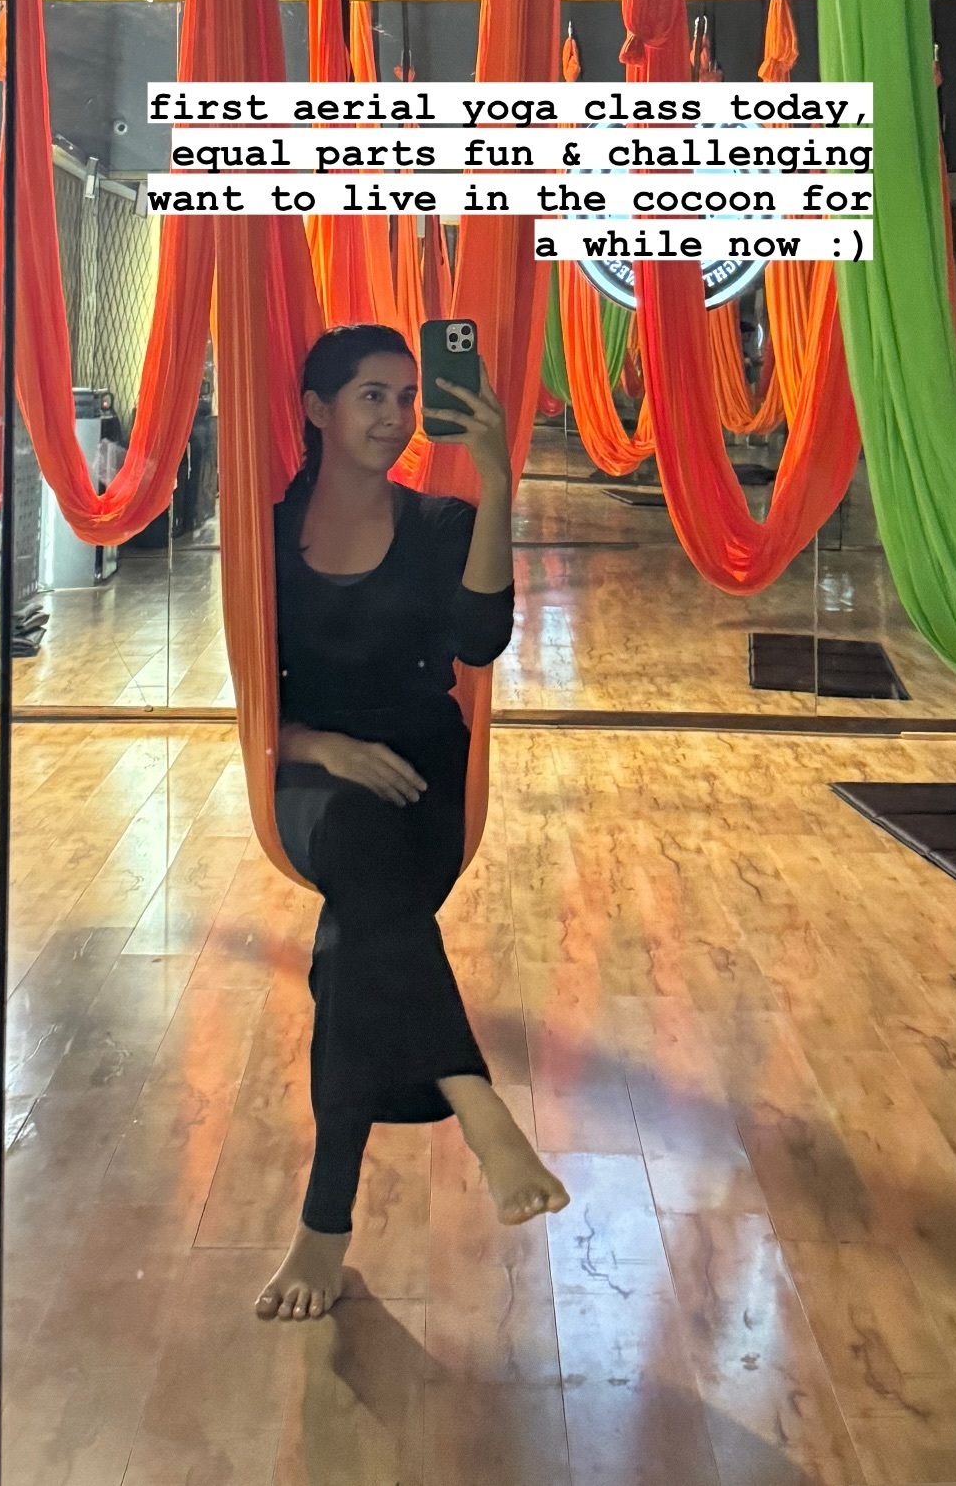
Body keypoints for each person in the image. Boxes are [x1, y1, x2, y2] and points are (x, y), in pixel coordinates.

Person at [257, 322, 569, 1323]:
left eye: (405, 396)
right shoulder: (267, 535)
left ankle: (324, 1227)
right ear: (318, 409)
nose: (395, 416)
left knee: (352, 949)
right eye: (371, 396)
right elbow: (257, 697)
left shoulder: (439, 522)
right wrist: (323, 746)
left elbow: (480, 638)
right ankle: (475, 1100)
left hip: (424, 777)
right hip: (313, 775)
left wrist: (497, 482)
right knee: (356, 856)